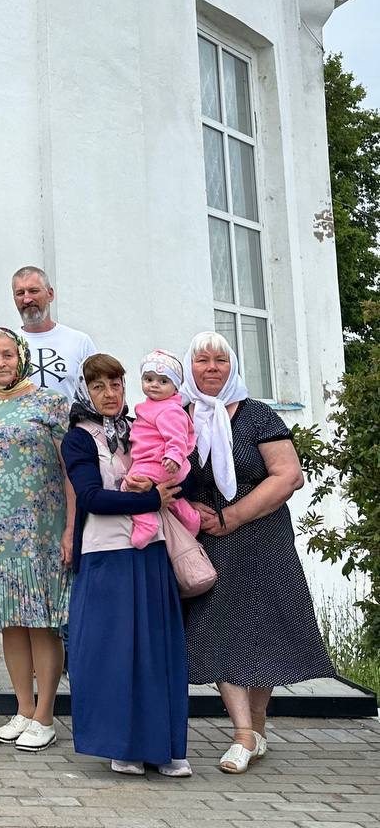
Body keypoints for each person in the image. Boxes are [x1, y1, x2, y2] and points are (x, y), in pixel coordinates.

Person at [179, 331, 333, 774]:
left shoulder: (257, 415)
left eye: (220, 361)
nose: (211, 368)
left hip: (262, 533)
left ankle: (257, 728)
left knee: (263, 628)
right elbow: (160, 469)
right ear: (190, 367)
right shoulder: (180, 416)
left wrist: (234, 517)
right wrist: (191, 510)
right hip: (205, 537)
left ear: (233, 367)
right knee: (222, 628)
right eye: (202, 360)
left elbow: (288, 476)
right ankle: (243, 732)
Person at [62, 354, 191, 777]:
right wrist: (150, 499)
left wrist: (164, 482)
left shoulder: (142, 428)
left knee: (155, 652)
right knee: (112, 653)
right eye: (98, 386)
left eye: (116, 384)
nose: (110, 393)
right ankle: (122, 746)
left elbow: (176, 473)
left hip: (150, 551)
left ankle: (164, 749)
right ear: (85, 390)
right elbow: (93, 498)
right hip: (104, 557)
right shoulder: (79, 438)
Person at [0, 327, 73, 752]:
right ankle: (23, 707)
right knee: (9, 620)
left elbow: (71, 469)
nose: (0, 363)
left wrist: (70, 527)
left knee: (42, 622)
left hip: (38, 528)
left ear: (21, 356)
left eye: (8, 355)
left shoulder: (51, 403)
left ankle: (45, 714)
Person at [126, 351, 200, 549]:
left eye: (163, 381)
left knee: (130, 485)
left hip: (162, 463)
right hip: (159, 463)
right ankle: (191, 520)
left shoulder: (169, 410)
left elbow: (178, 436)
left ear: (175, 387)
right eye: (148, 379)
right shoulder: (153, 406)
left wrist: (174, 456)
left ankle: (146, 523)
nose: (154, 385)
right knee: (171, 497)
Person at [12, 266, 97, 401]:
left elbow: (97, 390)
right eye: (20, 293)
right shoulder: (7, 345)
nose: (27, 299)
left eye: (33, 291)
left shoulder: (80, 342)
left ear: (50, 294)